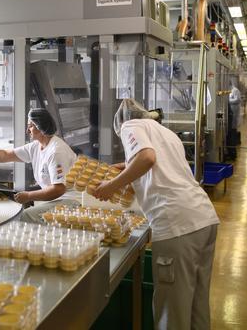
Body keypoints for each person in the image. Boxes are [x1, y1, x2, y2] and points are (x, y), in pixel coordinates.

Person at [94, 99, 219, 330]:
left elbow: (147, 158)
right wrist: (124, 166)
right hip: (204, 219)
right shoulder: (165, 132)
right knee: (196, 304)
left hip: (177, 225)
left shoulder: (129, 126)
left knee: (172, 310)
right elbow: (156, 160)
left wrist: (111, 185)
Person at [0, 108, 79, 223]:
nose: (27, 130)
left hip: (70, 201)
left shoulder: (56, 151)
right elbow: (4, 155)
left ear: (41, 128)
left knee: (26, 216)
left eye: (30, 126)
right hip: (56, 200)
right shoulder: (36, 146)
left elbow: (59, 189)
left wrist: (29, 196)